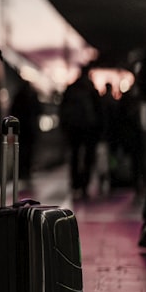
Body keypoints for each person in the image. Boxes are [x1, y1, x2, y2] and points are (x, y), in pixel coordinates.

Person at [58, 66, 102, 201]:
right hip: (90, 129)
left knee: (75, 156)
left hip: (73, 129)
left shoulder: (71, 88)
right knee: (88, 157)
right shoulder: (92, 90)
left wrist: (64, 127)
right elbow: (100, 111)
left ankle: (75, 184)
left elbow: (62, 109)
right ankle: (84, 185)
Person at [9, 81, 42, 182]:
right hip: (31, 129)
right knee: (29, 151)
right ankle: (26, 171)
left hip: (21, 129)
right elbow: (39, 110)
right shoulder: (33, 96)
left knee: (21, 151)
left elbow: (13, 111)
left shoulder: (18, 96)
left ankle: (21, 171)